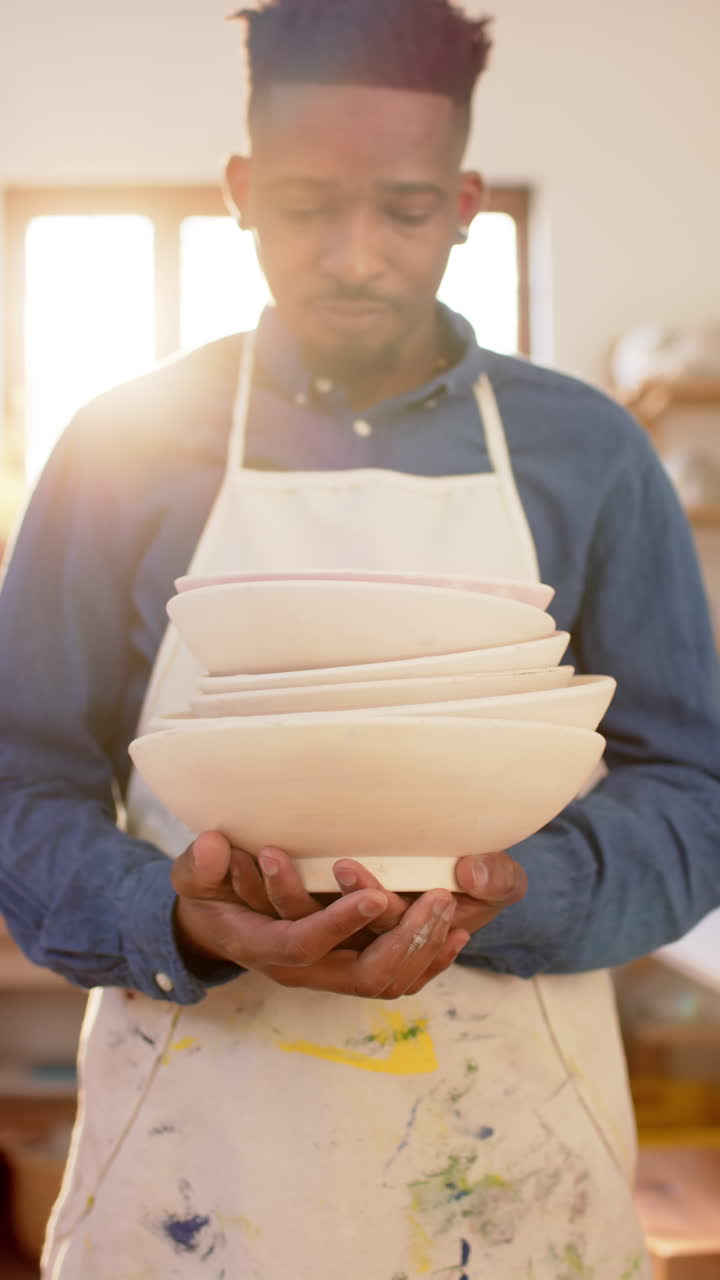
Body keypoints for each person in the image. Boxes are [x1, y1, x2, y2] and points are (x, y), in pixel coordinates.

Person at [1, 1, 719, 1276]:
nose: (351, 255)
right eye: (302, 206)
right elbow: (18, 773)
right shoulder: (122, 444)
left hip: (510, 1142)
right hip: (199, 1139)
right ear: (239, 191)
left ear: (464, 200)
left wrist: (519, 899)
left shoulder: (590, 451)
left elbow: (695, 787)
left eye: (400, 208)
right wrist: (177, 914)